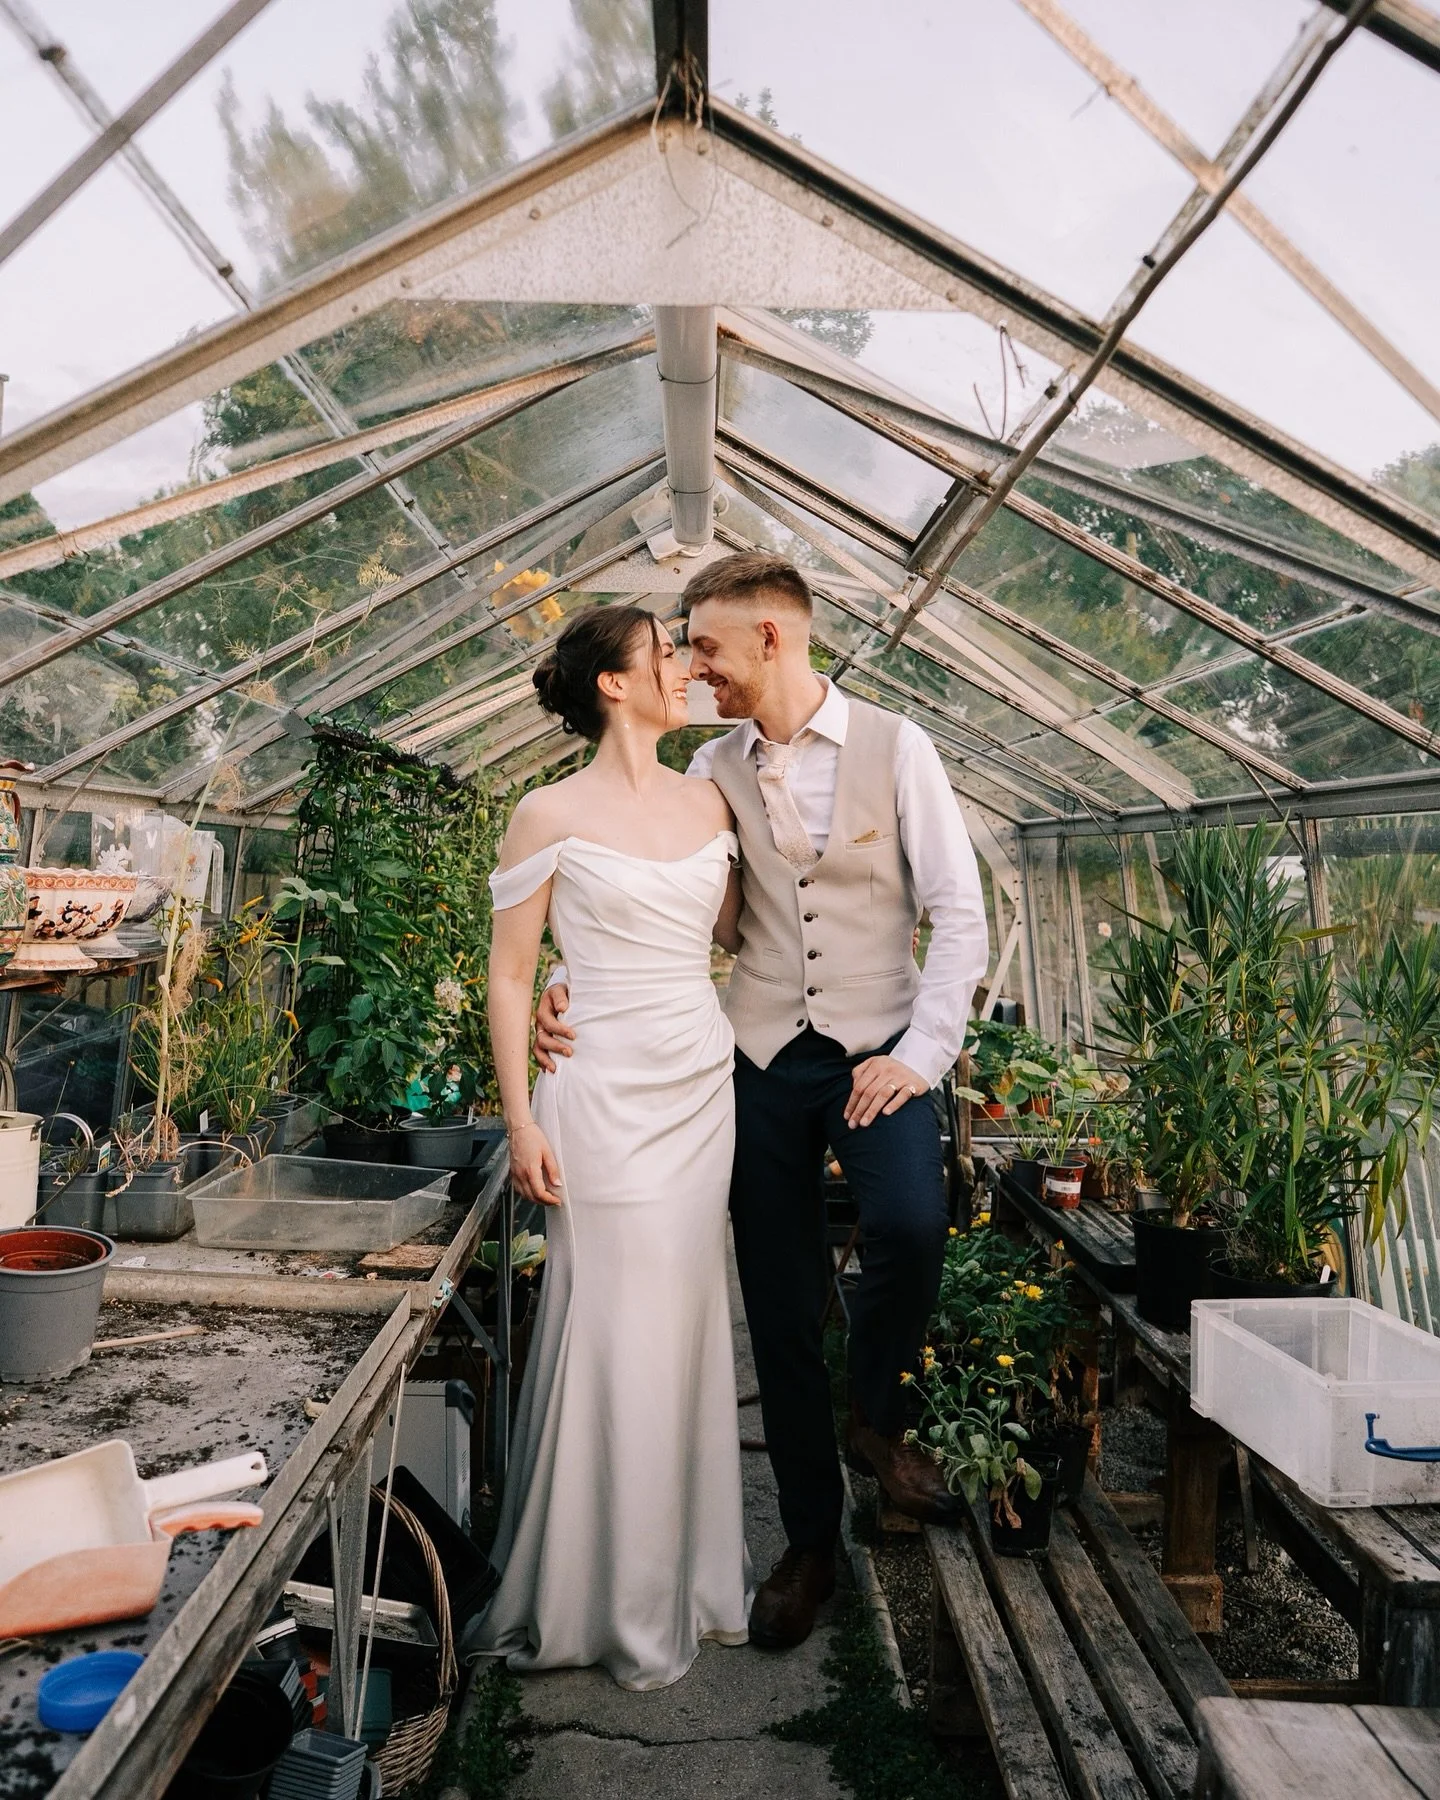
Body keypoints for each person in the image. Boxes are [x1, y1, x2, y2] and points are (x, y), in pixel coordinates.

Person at [537, 552, 990, 1652]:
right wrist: (571, 981)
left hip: (877, 1046)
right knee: (779, 1305)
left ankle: (875, 1421)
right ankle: (809, 1545)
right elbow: (677, 902)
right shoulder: (713, 771)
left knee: (910, 1224)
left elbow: (959, 914)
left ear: (773, 639)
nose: (693, 668)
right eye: (685, 649)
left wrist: (921, 1055)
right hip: (758, 1055)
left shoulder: (899, 747)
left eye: (705, 646)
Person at [470, 602, 752, 1692]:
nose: (685, 667)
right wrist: (521, 1117)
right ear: (613, 685)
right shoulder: (542, 813)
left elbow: (734, 936)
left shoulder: (713, 797)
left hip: (697, 1087)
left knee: (680, 1321)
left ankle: (681, 1577)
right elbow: (507, 971)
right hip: (594, 1096)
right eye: (667, 655)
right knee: (609, 1324)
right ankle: (600, 1591)